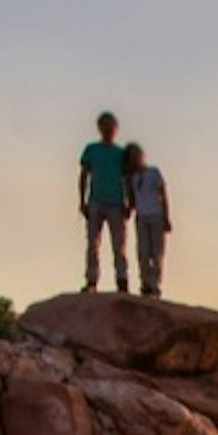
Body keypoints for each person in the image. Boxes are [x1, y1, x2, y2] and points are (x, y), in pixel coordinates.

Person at [78, 111, 134, 293]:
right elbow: (84, 175)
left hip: (116, 202)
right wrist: (82, 201)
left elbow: (127, 178)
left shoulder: (120, 153)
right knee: (92, 243)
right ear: (99, 128)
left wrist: (129, 202)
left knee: (119, 244)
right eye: (105, 126)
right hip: (96, 200)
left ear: (116, 129)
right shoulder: (92, 150)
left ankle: (122, 279)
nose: (108, 130)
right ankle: (91, 280)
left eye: (111, 127)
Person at [127, 141, 172, 297]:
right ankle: (145, 283)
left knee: (157, 252)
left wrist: (166, 216)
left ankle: (154, 284)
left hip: (156, 215)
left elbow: (163, 194)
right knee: (143, 252)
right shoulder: (132, 178)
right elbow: (132, 200)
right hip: (141, 217)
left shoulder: (153, 172)